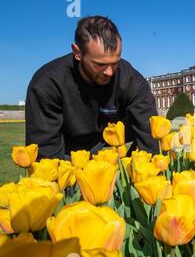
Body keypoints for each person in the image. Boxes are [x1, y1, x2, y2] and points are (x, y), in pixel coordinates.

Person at [25, 15, 159, 160]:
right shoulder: (48, 83)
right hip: (67, 148)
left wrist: (146, 173)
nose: (109, 72)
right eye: (100, 64)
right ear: (77, 52)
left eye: (115, 63)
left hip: (108, 142)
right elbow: (45, 151)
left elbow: (150, 134)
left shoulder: (131, 79)